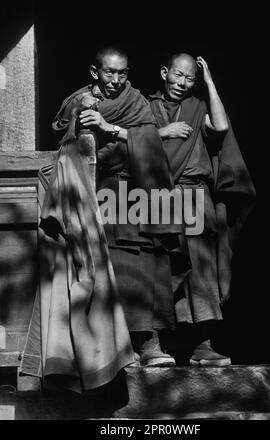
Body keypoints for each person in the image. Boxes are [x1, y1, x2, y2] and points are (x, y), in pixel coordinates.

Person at [52, 47, 188, 367]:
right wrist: (81, 114)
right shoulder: (78, 99)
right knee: (101, 267)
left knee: (145, 263)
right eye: (109, 72)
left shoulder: (136, 101)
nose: (116, 80)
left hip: (134, 189)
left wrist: (106, 125)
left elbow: (151, 140)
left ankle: (149, 343)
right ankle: (106, 349)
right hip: (96, 190)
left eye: (122, 73)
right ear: (94, 71)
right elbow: (62, 134)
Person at [148, 53, 256, 366]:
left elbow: (220, 127)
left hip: (195, 195)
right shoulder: (145, 106)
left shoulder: (198, 108)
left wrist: (209, 83)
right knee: (159, 268)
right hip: (158, 196)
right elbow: (131, 141)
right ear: (164, 72)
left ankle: (203, 344)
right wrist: (163, 132)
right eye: (178, 75)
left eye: (190, 78)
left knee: (201, 269)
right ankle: (153, 344)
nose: (182, 83)